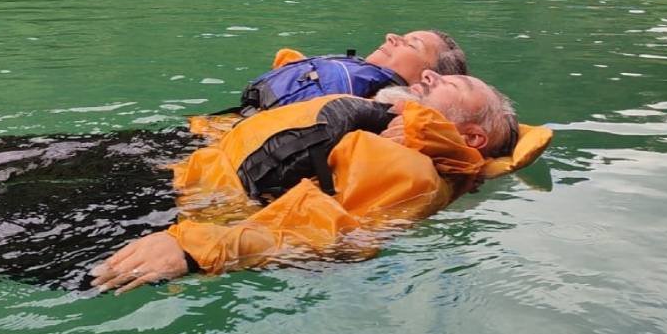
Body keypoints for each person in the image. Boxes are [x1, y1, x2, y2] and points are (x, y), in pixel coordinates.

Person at [91, 72, 552, 294]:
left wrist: (195, 250)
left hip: (166, 208)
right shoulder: (391, 135)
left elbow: (336, 230)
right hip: (173, 172)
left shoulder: (415, 172)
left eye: (452, 82)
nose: (429, 76)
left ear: (471, 136)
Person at [236, 29, 467, 116]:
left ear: (427, 78)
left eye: (411, 44)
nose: (390, 37)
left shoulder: (389, 115)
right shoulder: (356, 81)